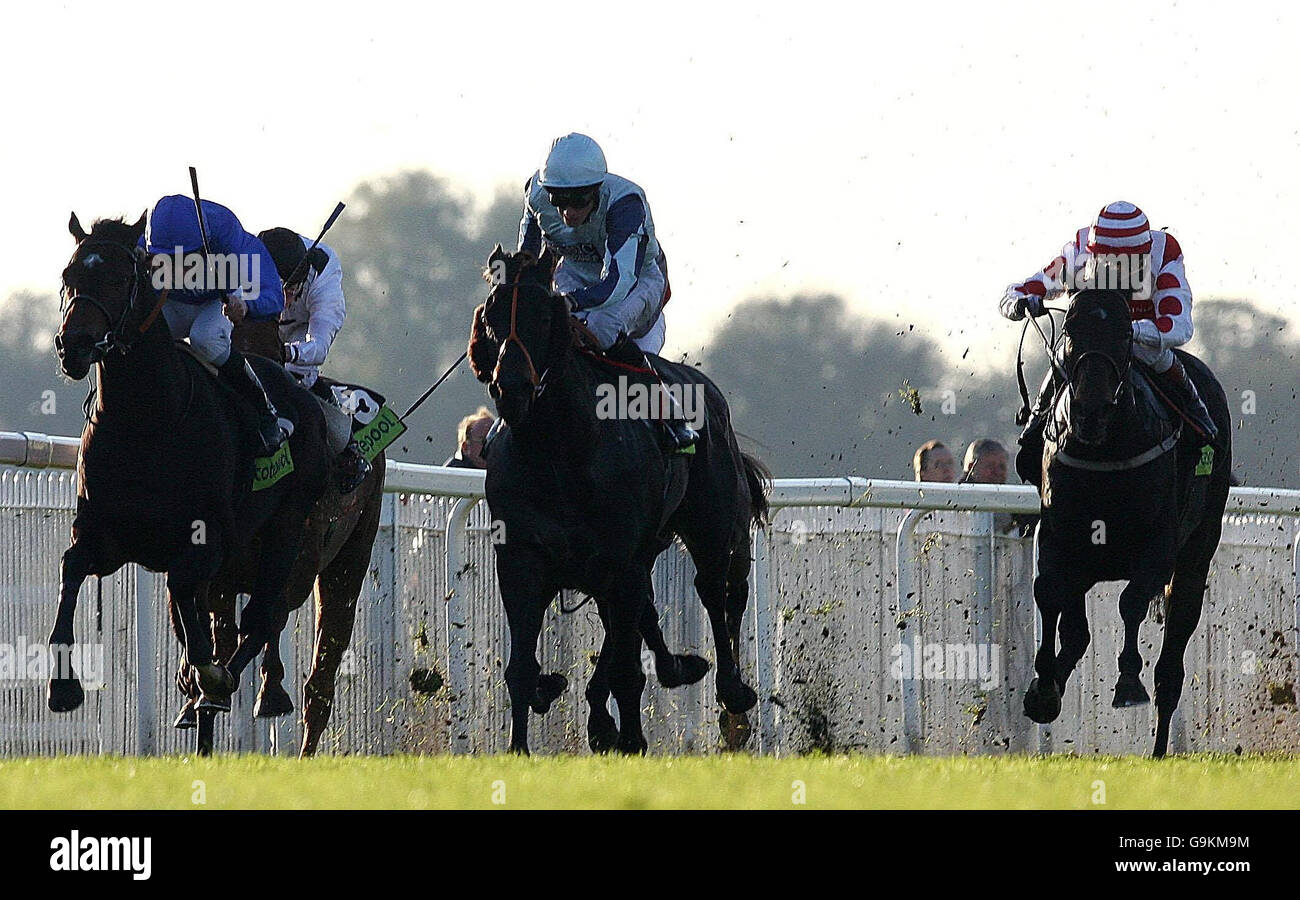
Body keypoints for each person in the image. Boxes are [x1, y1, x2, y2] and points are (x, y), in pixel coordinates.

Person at [1000, 201, 1218, 485]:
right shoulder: (1077, 254)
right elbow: (1018, 290)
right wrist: (1019, 304)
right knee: (1061, 360)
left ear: (1143, 254)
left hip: (1143, 342)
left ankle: (1202, 427)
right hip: (1090, 341)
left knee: (1167, 364)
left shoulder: (1164, 252)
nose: (1117, 271)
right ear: (1094, 255)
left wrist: (1125, 330)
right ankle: (1034, 430)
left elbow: (1178, 327)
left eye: (1125, 264)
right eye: (1108, 263)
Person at [517, 132, 696, 451]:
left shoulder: (626, 204)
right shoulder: (536, 194)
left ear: (597, 190)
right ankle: (510, 419)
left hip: (637, 281)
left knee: (600, 326)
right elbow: (528, 254)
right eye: (559, 200)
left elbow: (617, 281)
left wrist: (570, 302)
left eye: (578, 201)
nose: (568, 213)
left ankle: (672, 414)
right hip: (576, 275)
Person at [144, 195, 286, 455]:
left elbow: (274, 295)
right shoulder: (147, 242)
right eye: (165, 258)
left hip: (215, 303)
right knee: (141, 334)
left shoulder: (231, 238)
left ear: (205, 246)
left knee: (205, 338)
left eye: (184, 258)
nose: (174, 268)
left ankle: (264, 411)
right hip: (174, 303)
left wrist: (245, 306)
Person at [258, 227, 371, 492]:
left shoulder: (324, 280)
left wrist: (288, 352)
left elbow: (318, 346)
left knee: (296, 375)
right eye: (279, 289)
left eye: (291, 289)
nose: (285, 301)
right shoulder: (246, 261)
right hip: (257, 319)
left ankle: (347, 452)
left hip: (301, 330)